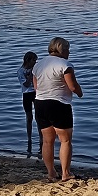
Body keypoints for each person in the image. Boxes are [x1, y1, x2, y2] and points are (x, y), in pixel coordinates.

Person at [34, 37, 83, 182]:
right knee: (65, 140)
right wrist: (80, 93)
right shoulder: (65, 65)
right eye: (68, 49)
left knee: (47, 141)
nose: (69, 52)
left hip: (40, 104)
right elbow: (72, 86)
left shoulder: (38, 65)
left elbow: (36, 87)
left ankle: (51, 173)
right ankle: (65, 173)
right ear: (62, 49)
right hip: (59, 104)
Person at [19, 51, 38, 157]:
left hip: (35, 93)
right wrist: (30, 76)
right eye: (33, 60)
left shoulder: (35, 69)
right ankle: (29, 138)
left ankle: (41, 138)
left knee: (39, 117)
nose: (35, 62)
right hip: (27, 94)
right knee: (29, 117)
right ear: (28, 60)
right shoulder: (21, 71)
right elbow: (25, 84)